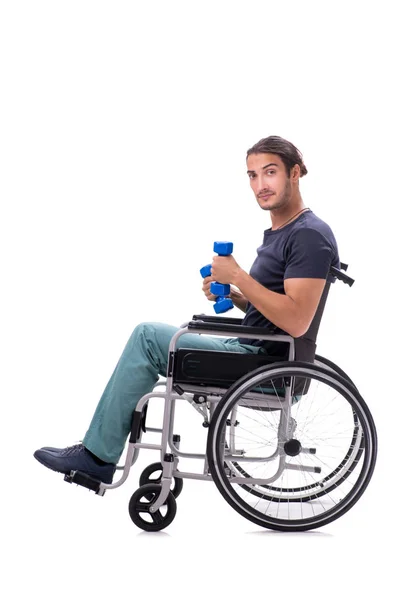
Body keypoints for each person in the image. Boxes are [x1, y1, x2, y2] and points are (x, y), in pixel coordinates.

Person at [34, 135, 340, 485]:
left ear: (295, 173)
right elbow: (278, 309)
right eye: (252, 175)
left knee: (148, 336)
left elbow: (297, 322)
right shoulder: (283, 231)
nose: (260, 185)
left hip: (265, 363)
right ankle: (98, 452)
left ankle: (97, 456)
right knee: (160, 335)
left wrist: (239, 273)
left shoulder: (309, 235)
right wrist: (239, 295)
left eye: (269, 172)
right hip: (256, 350)